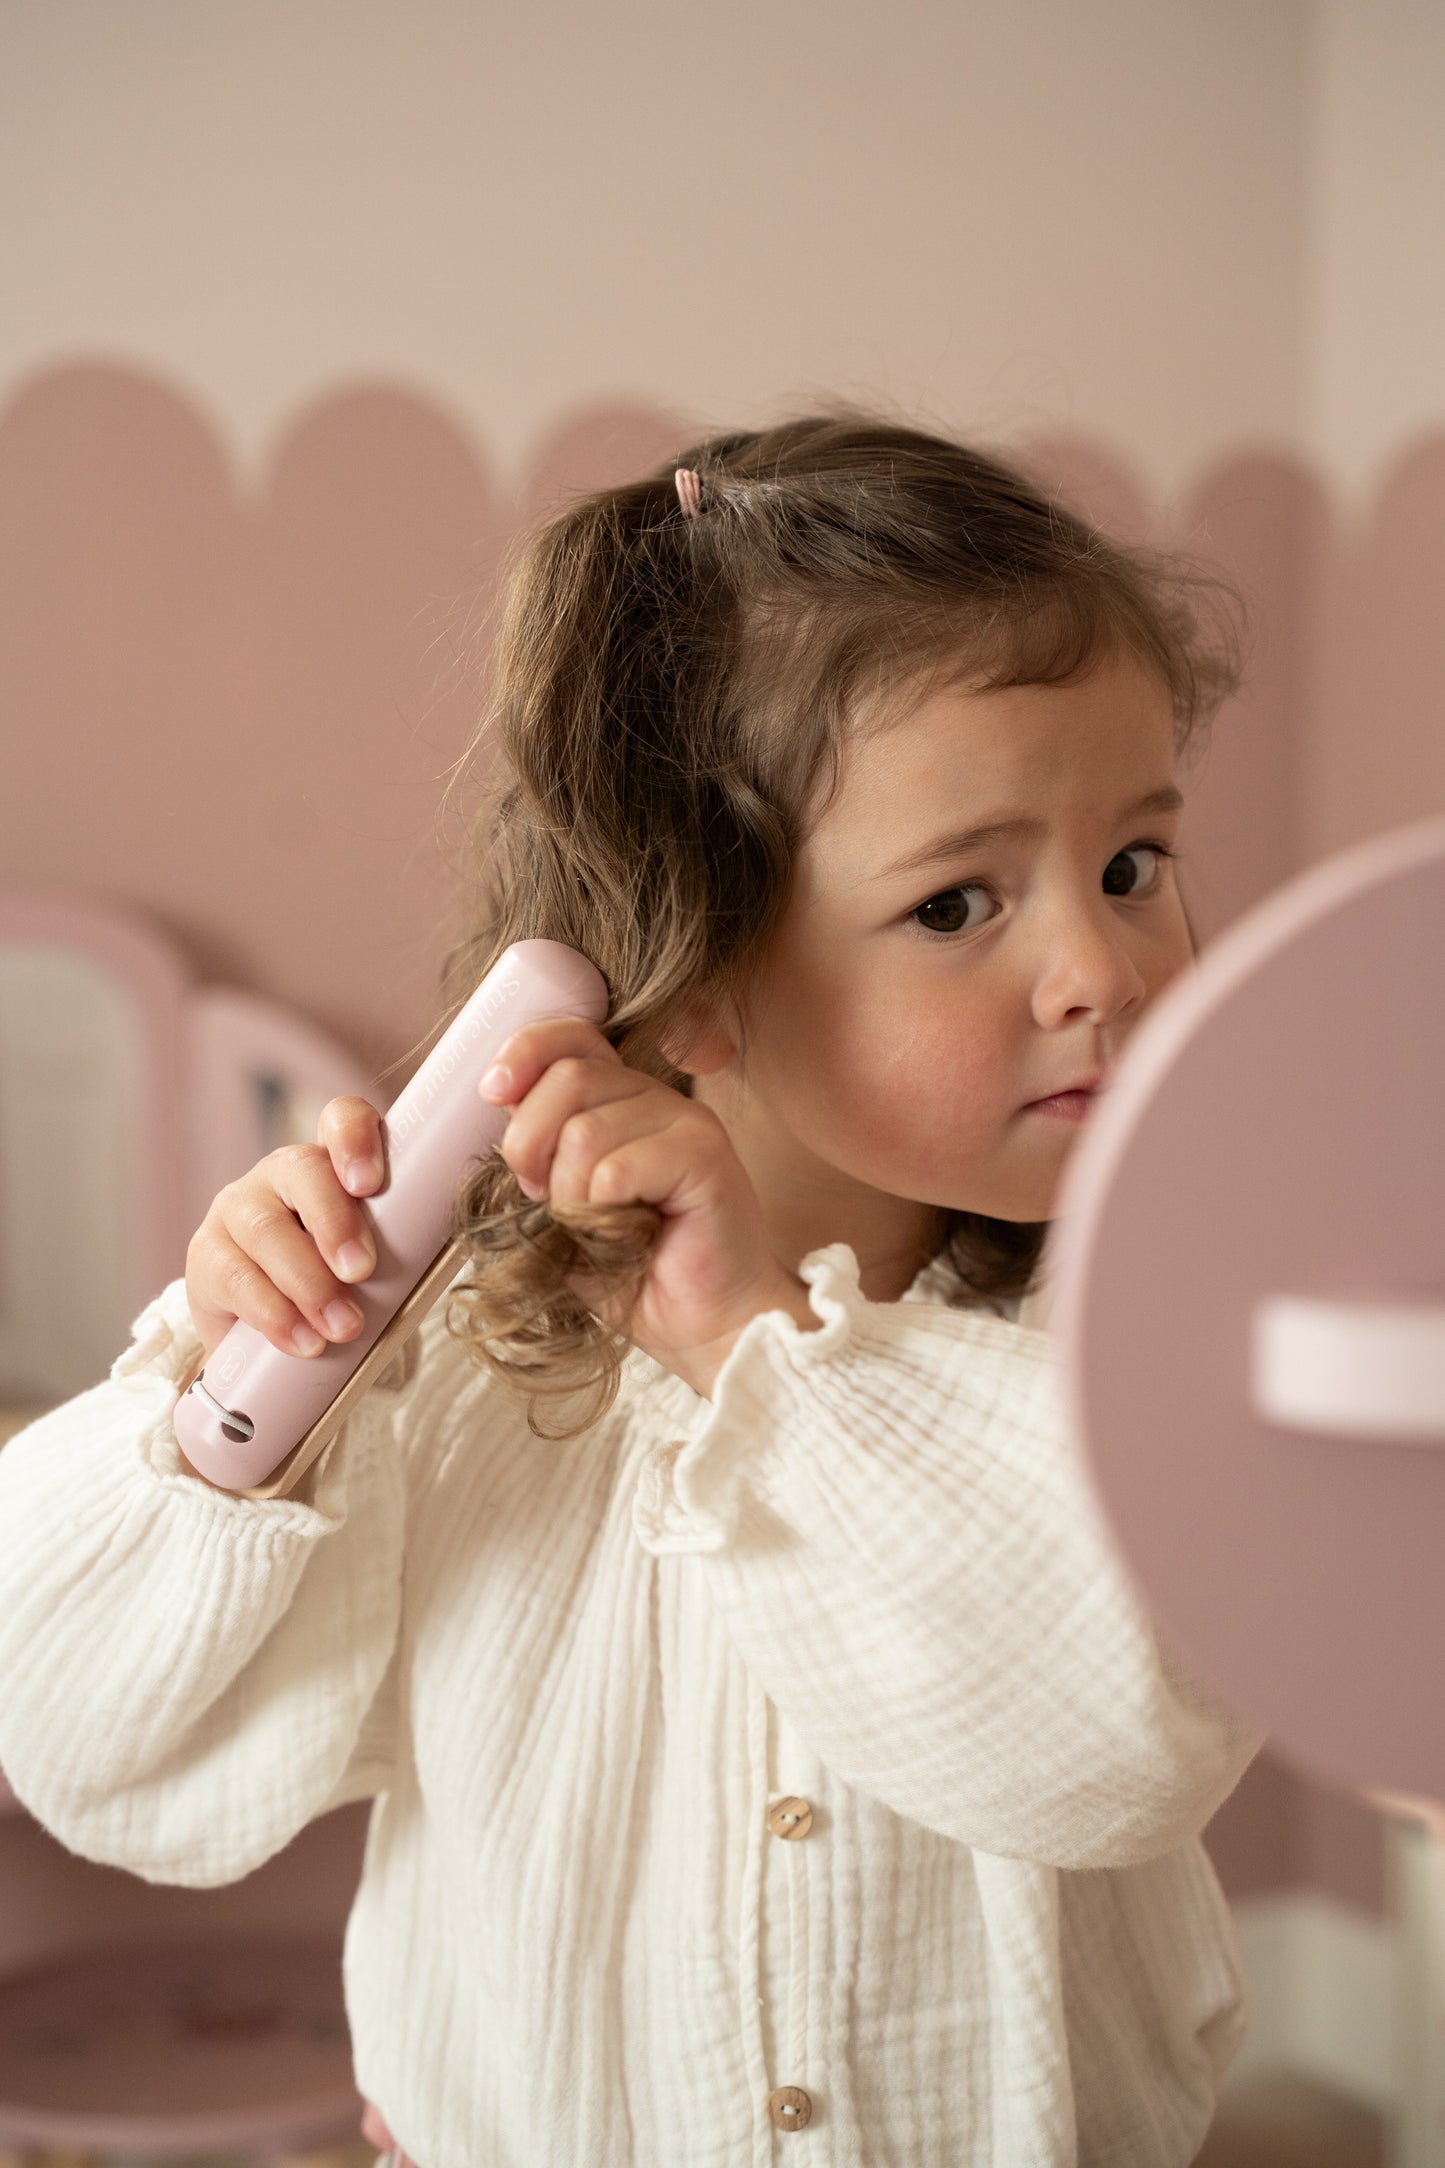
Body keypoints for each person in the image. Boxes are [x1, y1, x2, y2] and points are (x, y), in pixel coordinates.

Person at [0, 411, 1271, 2166]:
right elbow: (91, 1750)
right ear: (687, 973)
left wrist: (766, 1349)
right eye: (961, 901)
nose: (1102, 968)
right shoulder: (460, 1345)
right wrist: (235, 1412)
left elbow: (1115, 1742)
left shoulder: (1126, 1340)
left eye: (1132, 864)